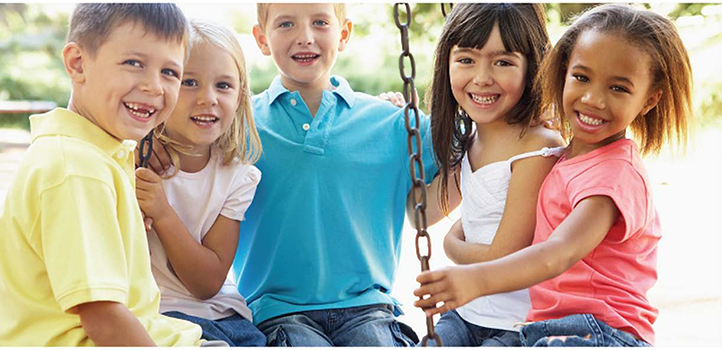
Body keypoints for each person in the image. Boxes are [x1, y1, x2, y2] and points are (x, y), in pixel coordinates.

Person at [414, 4, 693, 347]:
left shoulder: (615, 175)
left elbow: (558, 252)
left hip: (602, 333)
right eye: (581, 78)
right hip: (554, 329)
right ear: (560, 74)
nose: (593, 99)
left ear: (649, 100)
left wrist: (476, 279)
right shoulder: (565, 157)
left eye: (618, 88)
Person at [0, 4, 204, 346]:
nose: (155, 86)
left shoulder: (69, 150)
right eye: (133, 63)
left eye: (170, 72)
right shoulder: (77, 170)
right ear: (78, 63)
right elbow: (105, 321)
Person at [242, 3, 438, 346]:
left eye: (320, 22)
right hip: (277, 312)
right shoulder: (240, 126)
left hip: (368, 308)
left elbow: (471, 144)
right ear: (261, 38)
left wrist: (529, 123)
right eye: (286, 24)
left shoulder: (389, 121)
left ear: (343, 33)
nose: (305, 37)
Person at [421, 3, 564, 347]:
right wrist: (395, 129)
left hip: (517, 324)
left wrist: (451, 244)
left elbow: (504, 258)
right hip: (466, 313)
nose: (482, 77)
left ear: (533, 67)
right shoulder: (470, 140)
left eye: (503, 62)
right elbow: (423, 212)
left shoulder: (538, 148)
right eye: (466, 60)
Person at [135, 19, 266, 347]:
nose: (208, 98)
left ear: (239, 97)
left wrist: (163, 214)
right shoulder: (134, 159)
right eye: (189, 82)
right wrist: (137, 140)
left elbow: (207, 282)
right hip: (160, 316)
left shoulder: (237, 176)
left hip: (227, 318)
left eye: (223, 86)